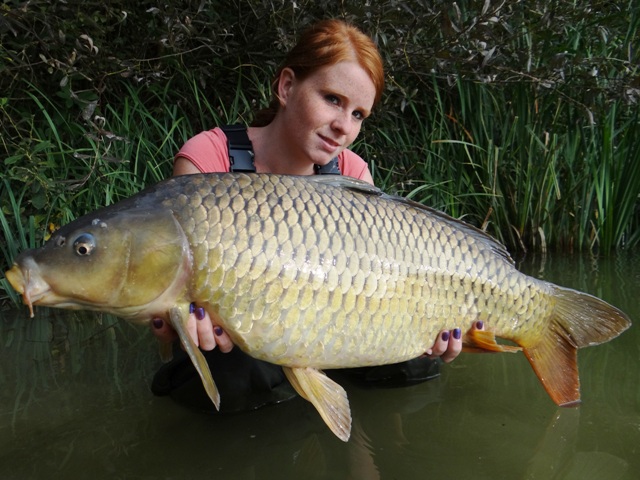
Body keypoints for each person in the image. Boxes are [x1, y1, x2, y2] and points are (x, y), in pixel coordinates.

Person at [150, 19, 479, 412]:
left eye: (359, 114)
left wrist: (426, 325)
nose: (343, 127)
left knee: (415, 365)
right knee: (243, 373)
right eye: (333, 100)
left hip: (330, 329)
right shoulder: (208, 158)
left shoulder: (353, 173)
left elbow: (378, 281)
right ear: (287, 86)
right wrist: (171, 321)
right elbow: (167, 292)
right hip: (240, 343)